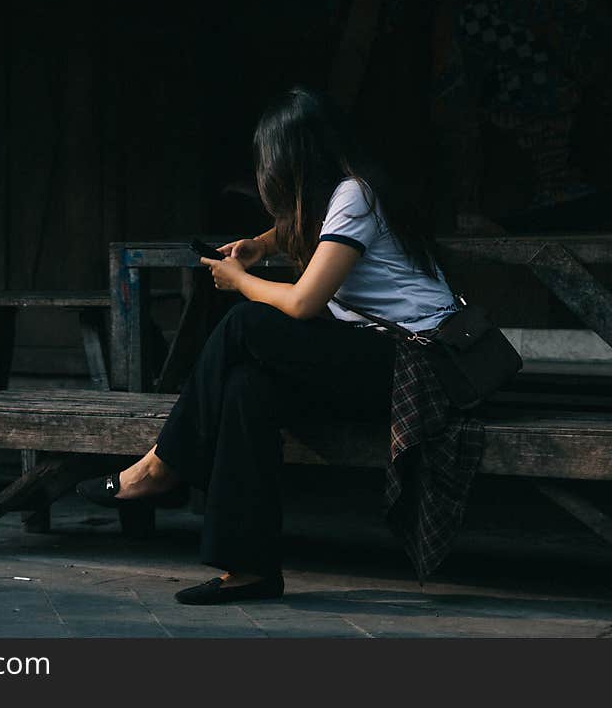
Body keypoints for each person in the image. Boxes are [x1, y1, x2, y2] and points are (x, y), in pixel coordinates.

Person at [77, 86, 460, 604]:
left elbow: (304, 303)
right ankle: (249, 567)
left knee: (244, 324)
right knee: (245, 386)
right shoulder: (343, 195)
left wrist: (239, 279)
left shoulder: (355, 195)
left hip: (422, 367)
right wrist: (259, 244)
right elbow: (303, 228)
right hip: (384, 358)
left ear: (291, 161)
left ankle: (160, 467)